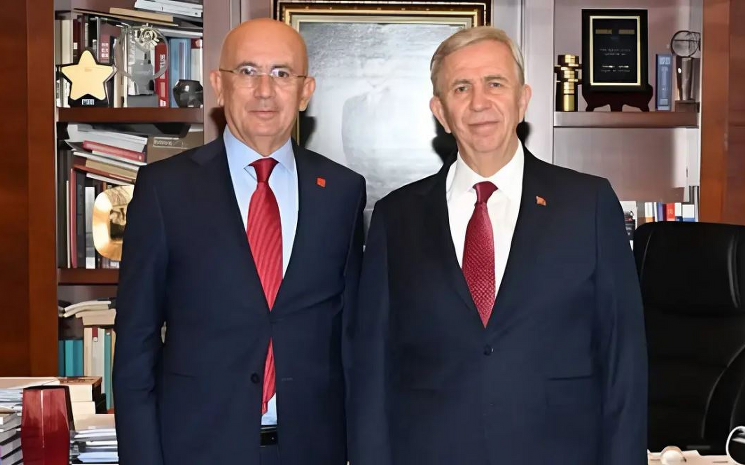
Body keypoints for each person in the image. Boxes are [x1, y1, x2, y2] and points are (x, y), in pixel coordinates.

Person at [348, 26, 647, 465]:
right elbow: (372, 369)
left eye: (495, 84)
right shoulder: (396, 217)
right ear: (440, 112)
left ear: (523, 100)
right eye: (461, 88)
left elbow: (624, 359)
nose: (479, 102)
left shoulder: (589, 204)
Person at [113, 18, 366, 465]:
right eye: (248, 71)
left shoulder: (343, 192)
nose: (265, 91)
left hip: (313, 449)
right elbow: (137, 342)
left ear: (305, 92)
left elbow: (350, 340)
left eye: (282, 73)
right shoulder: (165, 190)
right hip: (196, 450)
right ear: (219, 85)